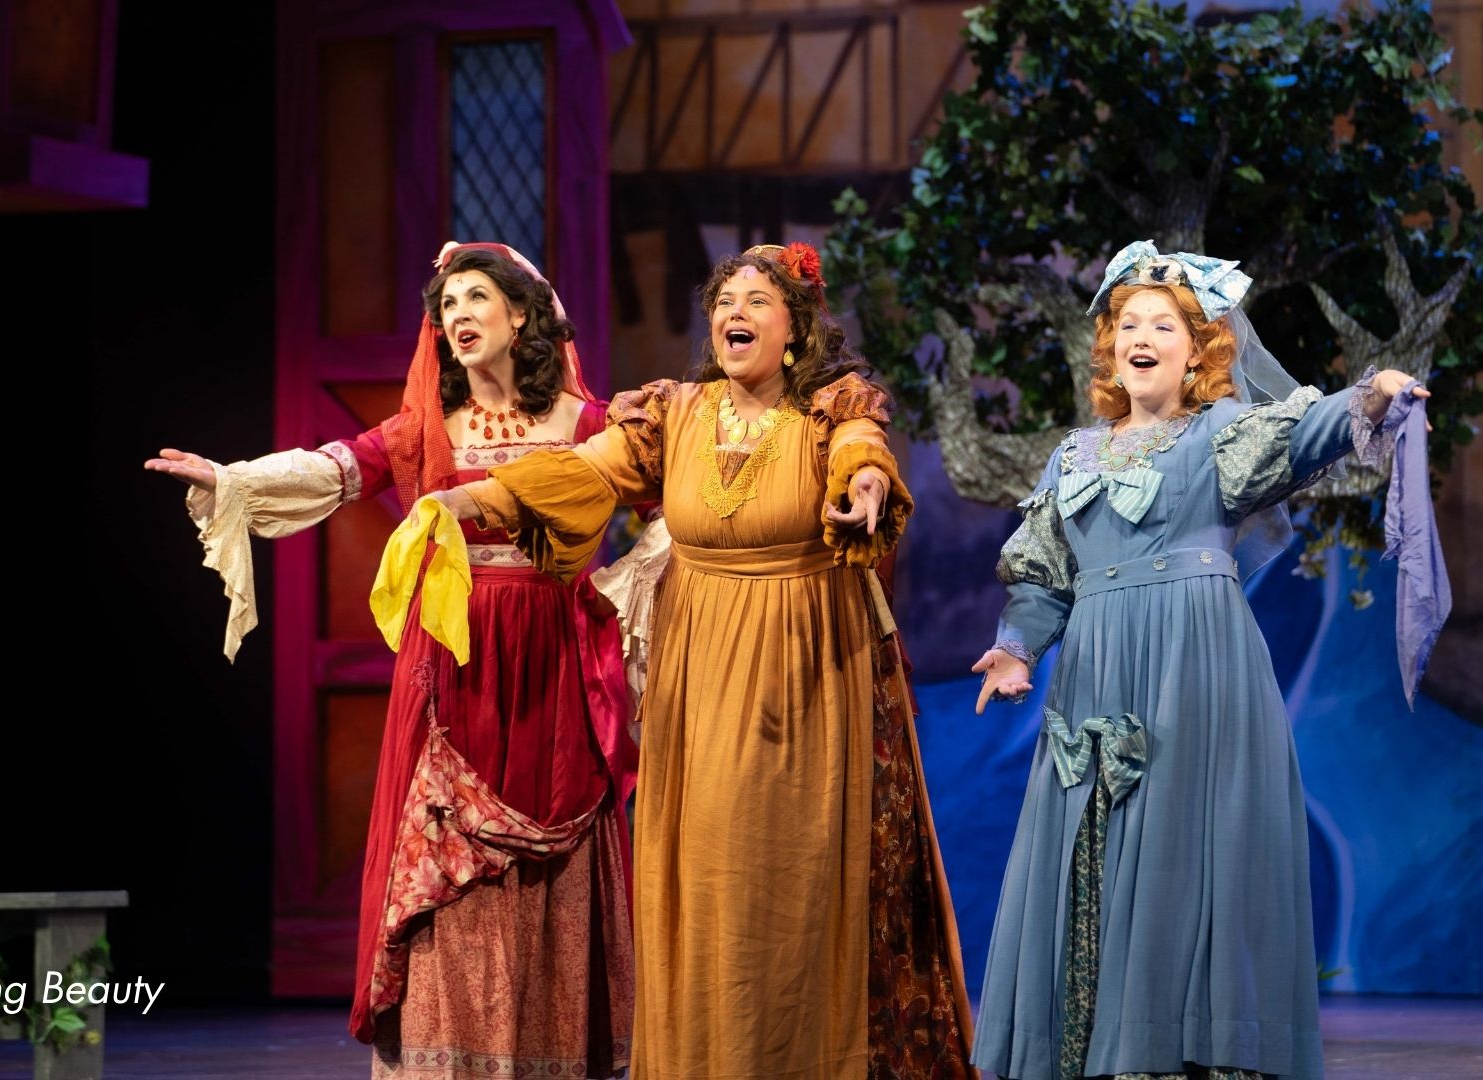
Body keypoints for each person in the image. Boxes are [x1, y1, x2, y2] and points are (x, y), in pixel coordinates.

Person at [427, 242, 975, 1078]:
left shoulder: (830, 407)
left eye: (756, 301)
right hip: (698, 668)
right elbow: (584, 470)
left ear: (795, 329)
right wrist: (471, 498)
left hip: (802, 664)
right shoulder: (675, 414)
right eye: (723, 302)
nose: (734, 315)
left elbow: (862, 450)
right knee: (705, 868)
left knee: (789, 870)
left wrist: (864, 485)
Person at [146, 243, 636, 1079]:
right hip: (457, 663)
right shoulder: (427, 431)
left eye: (476, 297)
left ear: (522, 313)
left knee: (557, 842)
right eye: (447, 306)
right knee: (451, 858)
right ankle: (450, 1056)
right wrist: (233, 480)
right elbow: (336, 468)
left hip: (554, 658)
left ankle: (552, 1049)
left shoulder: (589, 426)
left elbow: (669, 506)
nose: (458, 316)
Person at [969, 241, 1440, 1080]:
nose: (1141, 337)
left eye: (1164, 325)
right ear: (1109, 348)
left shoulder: (1221, 435)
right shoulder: (1072, 457)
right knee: (1096, 843)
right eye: (1128, 324)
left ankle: (1183, 1049)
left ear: (1198, 352)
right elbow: (1042, 574)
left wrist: (1375, 392)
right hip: (1097, 671)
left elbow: (1306, 431)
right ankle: (1097, 1049)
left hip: (1195, 666)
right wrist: (1015, 649)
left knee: (1185, 848)